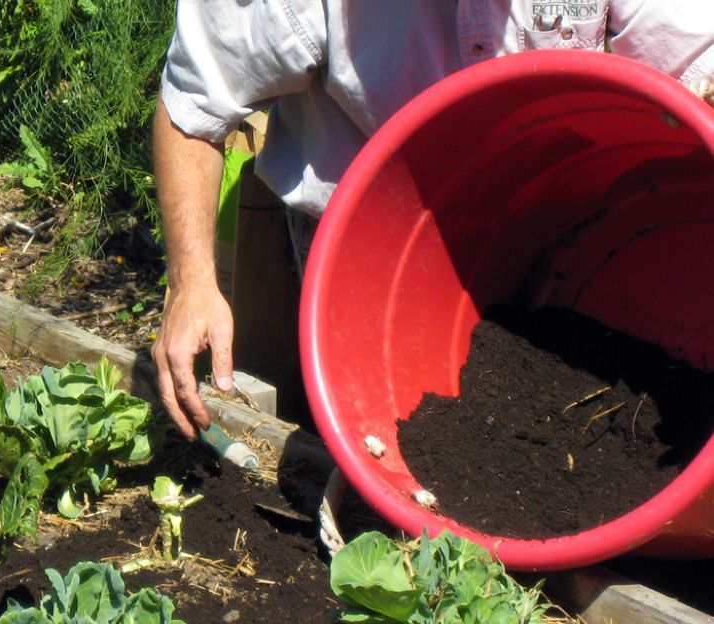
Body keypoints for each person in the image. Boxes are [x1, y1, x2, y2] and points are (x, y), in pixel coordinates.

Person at [151, 1, 714, 441]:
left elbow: (699, 60)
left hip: (555, 232)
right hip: (373, 244)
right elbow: (195, 106)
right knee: (391, 447)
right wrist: (192, 283)